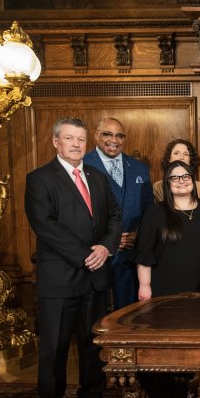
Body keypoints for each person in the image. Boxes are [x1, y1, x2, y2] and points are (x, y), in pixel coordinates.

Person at [24, 117, 122, 398]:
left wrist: (105, 247)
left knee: (93, 341)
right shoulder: (39, 178)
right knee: (56, 345)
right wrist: (85, 256)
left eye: (80, 139)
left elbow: (115, 216)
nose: (76, 144)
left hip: (96, 274)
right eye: (69, 138)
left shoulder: (97, 176)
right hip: (61, 277)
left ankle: (91, 393)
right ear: (56, 142)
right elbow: (44, 225)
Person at [83, 117, 152, 310]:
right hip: (95, 254)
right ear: (96, 135)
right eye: (107, 134)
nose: (114, 140)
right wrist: (110, 240)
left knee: (128, 314)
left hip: (130, 255)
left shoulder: (139, 168)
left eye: (119, 136)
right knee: (94, 313)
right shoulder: (82, 165)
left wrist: (139, 235)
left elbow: (149, 210)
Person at [135, 161, 200, 300]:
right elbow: (144, 254)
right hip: (165, 291)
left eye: (186, 176)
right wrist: (144, 286)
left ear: (192, 179)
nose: (181, 181)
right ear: (167, 183)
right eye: (175, 178)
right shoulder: (155, 213)